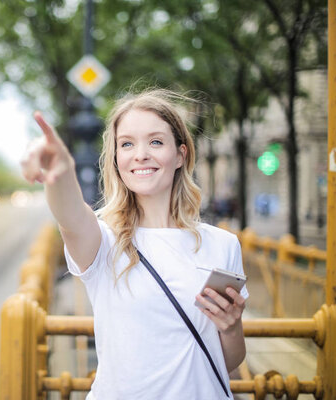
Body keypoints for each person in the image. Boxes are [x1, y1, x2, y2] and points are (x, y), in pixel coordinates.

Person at [21, 88, 248, 399]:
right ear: (116, 158)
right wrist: (61, 172)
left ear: (181, 154)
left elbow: (228, 361)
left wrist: (232, 328)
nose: (140, 154)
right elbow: (71, 216)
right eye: (127, 144)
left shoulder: (224, 245)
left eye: (155, 141)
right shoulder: (103, 241)